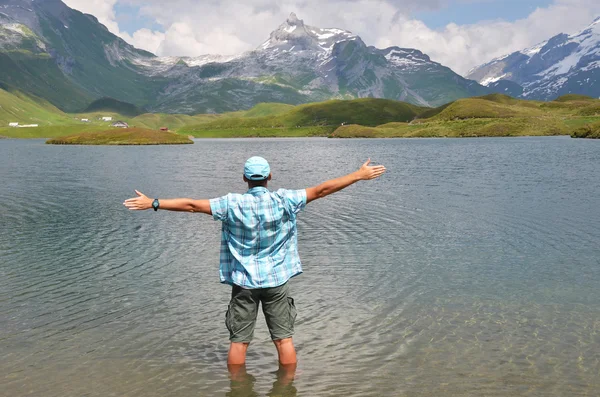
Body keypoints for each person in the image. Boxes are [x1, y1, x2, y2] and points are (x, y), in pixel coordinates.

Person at [123, 156, 386, 369]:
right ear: (270, 177)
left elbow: (192, 205)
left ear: (245, 179)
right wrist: (358, 175)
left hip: (243, 284)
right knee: (284, 340)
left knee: (239, 342)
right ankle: (286, 388)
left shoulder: (230, 204)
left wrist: (153, 203)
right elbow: (322, 190)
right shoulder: (285, 200)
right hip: (277, 282)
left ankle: (237, 389)